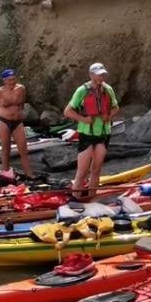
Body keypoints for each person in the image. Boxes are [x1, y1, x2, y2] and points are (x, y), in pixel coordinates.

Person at [63, 62, 120, 199]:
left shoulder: (108, 89)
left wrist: (109, 116)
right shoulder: (82, 91)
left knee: (96, 169)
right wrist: (83, 119)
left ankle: (91, 198)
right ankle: (75, 198)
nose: (101, 77)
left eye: (103, 75)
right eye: (98, 75)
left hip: (103, 134)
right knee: (82, 171)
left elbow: (115, 107)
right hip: (87, 134)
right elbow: (67, 111)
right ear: (91, 75)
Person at [0, 69, 32, 178]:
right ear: (4, 80)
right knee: (6, 150)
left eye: (14, 79)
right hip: (4, 121)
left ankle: (29, 175)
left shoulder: (21, 89)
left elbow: (21, 105)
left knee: (23, 150)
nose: (12, 82)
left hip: (18, 121)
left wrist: (18, 114)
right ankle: (6, 175)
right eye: (10, 80)